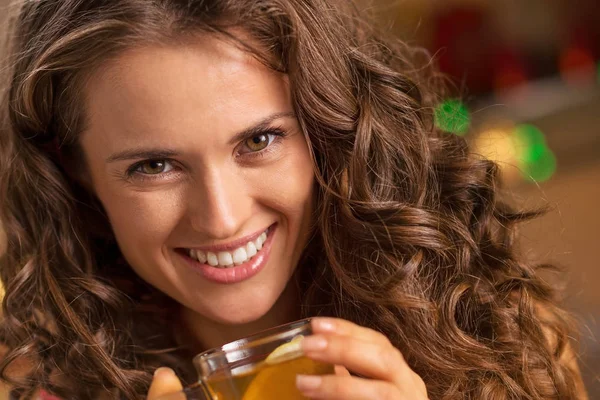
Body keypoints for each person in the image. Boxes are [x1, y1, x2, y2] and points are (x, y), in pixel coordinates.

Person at [0, 0, 588, 399]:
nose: (223, 218)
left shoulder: (496, 332)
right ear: (74, 173)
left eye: (260, 140)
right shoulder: (30, 386)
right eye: (153, 166)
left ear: (327, 131)